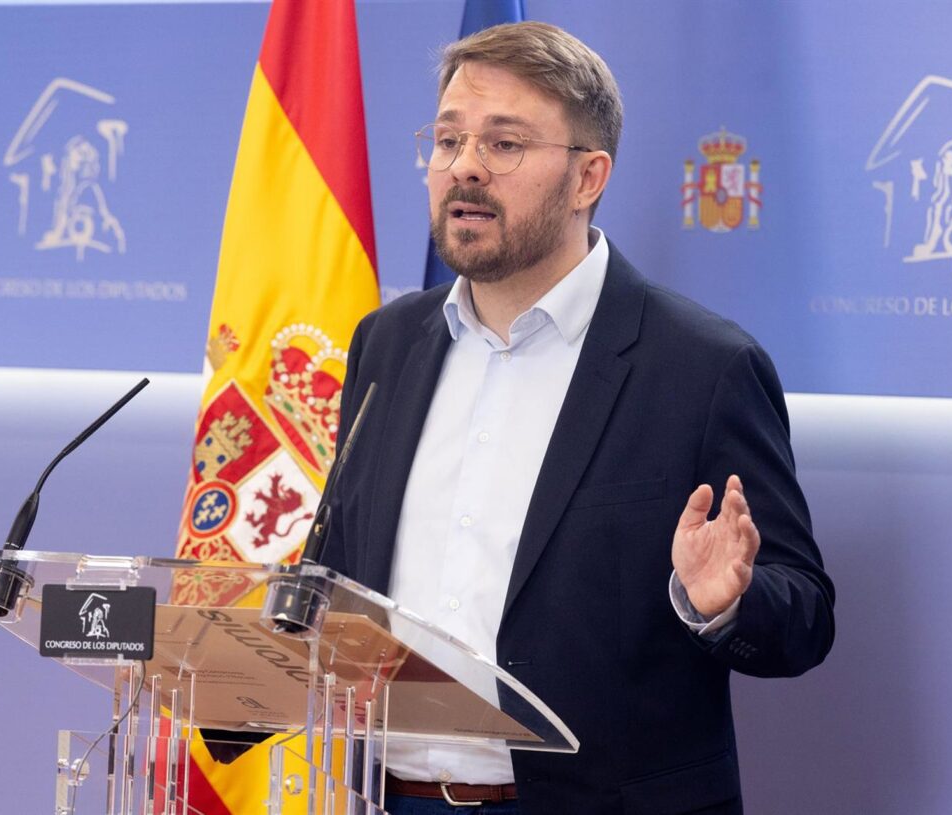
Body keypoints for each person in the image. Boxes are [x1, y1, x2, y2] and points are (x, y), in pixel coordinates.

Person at [322, 21, 834, 815]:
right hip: (387, 797)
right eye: (448, 139)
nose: (463, 168)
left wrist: (718, 601)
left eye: (503, 145)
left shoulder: (702, 367)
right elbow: (345, 569)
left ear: (588, 176)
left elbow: (803, 613)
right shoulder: (385, 344)